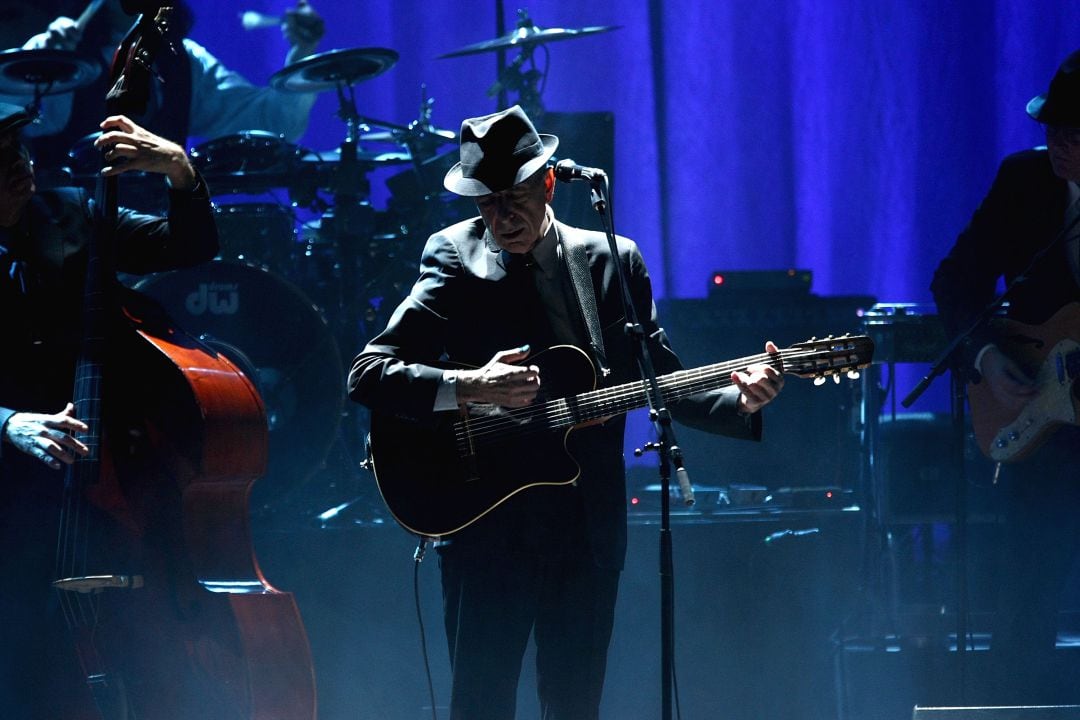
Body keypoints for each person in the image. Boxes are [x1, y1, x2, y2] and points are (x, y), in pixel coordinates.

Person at [348, 105, 785, 719]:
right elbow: (370, 373)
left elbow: (656, 374)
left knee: (576, 706)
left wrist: (737, 398)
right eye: (486, 202)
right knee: (480, 705)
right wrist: (471, 385)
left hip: (586, 527)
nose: (500, 217)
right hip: (486, 522)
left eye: (514, 197)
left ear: (549, 182)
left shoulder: (612, 258)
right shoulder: (453, 254)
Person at [0, 102, 219, 717]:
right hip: (14, 500)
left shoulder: (72, 211)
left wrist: (179, 169)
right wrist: (10, 423)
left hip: (114, 481)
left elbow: (189, 242)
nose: (19, 167)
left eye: (19, 151)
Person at [931, 49, 1080, 705]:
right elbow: (955, 280)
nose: (1057, 148)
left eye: (1073, 137)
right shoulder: (1025, 182)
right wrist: (988, 359)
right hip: (1039, 432)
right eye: (1051, 131)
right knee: (1027, 597)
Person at [9, 0, 324, 178]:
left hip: (157, 242)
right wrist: (45, 64)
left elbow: (271, 121)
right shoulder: (61, 50)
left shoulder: (185, 61)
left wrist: (303, 53)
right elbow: (16, 120)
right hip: (70, 239)